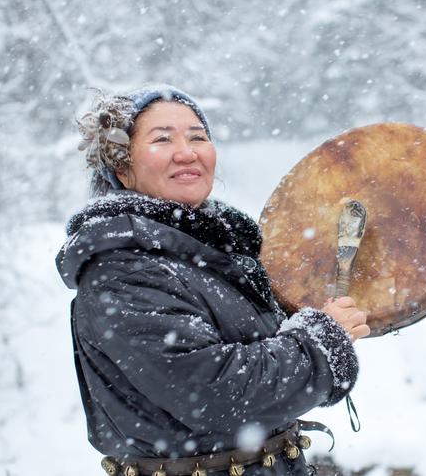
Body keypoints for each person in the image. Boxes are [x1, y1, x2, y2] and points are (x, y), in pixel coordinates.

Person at [56, 84, 370, 476]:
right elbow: (214, 391)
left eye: (197, 137)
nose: (187, 152)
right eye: (162, 139)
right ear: (122, 167)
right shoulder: (124, 270)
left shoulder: (210, 257)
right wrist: (319, 345)